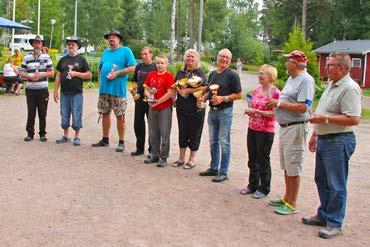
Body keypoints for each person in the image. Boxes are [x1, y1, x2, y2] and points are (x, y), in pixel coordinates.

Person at [302, 52, 361, 239]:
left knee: (336, 184)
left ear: (341, 68)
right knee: (321, 180)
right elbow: (323, 111)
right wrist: (315, 134)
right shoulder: (331, 85)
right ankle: (324, 214)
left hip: (339, 140)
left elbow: (353, 118)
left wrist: (325, 119)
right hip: (326, 138)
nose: (326, 67)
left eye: (330, 65)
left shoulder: (349, 88)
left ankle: (335, 223)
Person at [266, 50, 315, 215]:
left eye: (288, 61)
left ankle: (292, 203)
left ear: (295, 63)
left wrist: (279, 104)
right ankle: (286, 198)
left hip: (296, 127)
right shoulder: (291, 78)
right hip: (286, 127)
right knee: (287, 165)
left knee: (294, 164)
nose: (286, 64)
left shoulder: (306, 80)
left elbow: (304, 106)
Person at [153, 49, 208, 169]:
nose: (190, 59)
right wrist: (170, 97)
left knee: (194, 133)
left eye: (192, 57)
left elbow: (206, 88)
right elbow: (174, 88)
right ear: (184, 58)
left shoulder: (200, 72)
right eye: (188, 56)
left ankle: (192, 159)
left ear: (197, 59)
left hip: (196, 109)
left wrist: (189, 90)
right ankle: (181, 158)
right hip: (182, 107)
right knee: (182, 132)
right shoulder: (181, 72)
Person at [199, 48, 242, 182]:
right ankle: (213, 168)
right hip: (213, 112)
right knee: (213, 142)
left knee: (224, 142)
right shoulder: (212, 74)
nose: (224, 59)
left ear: (230, 60)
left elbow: (239, 94)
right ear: (217, 58)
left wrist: (223, 99)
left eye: (227, 58)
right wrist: (203, 98)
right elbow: (210, 91)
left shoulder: (232, 75)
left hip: (225, 112)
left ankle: (223, 171)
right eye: (222, 56)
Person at [92, 30, 136, 152]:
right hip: (104, 90)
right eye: (109, 38)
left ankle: (121, 142)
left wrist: (117, 73)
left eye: (113, 37)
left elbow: (133, 67)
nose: (111, 39)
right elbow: (100, 67)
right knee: (105, 114)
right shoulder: (106, 52)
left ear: (119, 39)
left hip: (118, 90)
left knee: (120, 116)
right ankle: (105, 139)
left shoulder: (126, 51)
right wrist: (100, 83)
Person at [240, 64, 280, 199]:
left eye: (262, 73)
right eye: (259, 73)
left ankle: (264, 188)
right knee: (252, 159)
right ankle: (252, 185)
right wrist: (250, 111)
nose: (259, 75)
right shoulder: (256, 90)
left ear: (270, 76)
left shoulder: (275, 93)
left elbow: (275, 114)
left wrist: (258, 112)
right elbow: (253, 106)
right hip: (252, 128)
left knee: (263, 159)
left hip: (266, 131)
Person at [53, 36, 91, 146]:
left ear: (77, 47)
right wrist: (55, 91)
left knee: (76, 114)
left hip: (77, 93)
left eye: (73, 44)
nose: (70, 46)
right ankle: (65, 136)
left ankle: (77, 136)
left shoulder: (82, 60)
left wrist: (76, 74)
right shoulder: (63, 60)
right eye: (69, 44)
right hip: (64, 93)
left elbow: (89, 75)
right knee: (64, 115)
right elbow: (58, 76)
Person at [20, 35, 53, 142]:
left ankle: (42, 133)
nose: (37, 44)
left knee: (43, 113)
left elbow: (51, 73)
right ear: (32, 44)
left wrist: (41, 75)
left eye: (39, 43)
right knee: (31, 112)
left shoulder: (47, 57)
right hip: (30, 89)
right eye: (35, 42)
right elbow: (21, 72)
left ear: (42, 44)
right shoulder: (26, 57)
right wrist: (29, 76)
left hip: (43, 89)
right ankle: (30, 133)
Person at [143, 54, 175, 167]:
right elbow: (146, 88)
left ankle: (163, 157)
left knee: (164, 133)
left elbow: (170, 93)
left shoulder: (169, 76)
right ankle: (154, 155)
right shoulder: (151, 74)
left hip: (164, 108)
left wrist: (158, 101)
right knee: (153, 133)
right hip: (152, 107)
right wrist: (149, 97)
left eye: (162, 63)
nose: (159, 65)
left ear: (166, 64)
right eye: (158, 63)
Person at [130, 46, 156, 156]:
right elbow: (135, 81)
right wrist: (133, 91)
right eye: (142, 54)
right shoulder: (139, 66)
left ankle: (152, 150)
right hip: (139, 100)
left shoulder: (156, 66)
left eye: (146, 54)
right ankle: (139, 148)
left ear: (151, 55)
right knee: (138, 124)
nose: (144, 56)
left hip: (151, 100)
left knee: (152, 126)